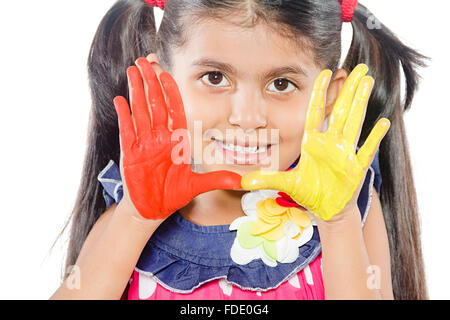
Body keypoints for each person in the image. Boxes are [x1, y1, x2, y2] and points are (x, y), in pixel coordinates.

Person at [50, 0, 427, 300]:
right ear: (162, 82)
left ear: (329, 96)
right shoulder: (131, 209)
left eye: (281, 84)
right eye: (214, 78)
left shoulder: (349, 209)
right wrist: (134, 219)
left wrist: (338, 223)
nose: (247, 118)